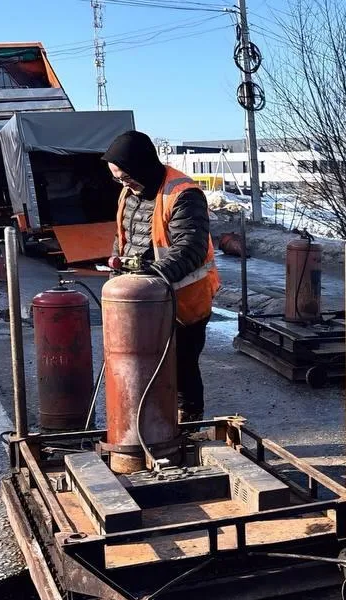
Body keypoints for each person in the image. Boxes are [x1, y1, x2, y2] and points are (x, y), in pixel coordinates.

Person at [103, 130, 221, 423]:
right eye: (117, 178)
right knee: (146, 363)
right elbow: (126, 235)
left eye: (125, 176)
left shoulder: (183, 194)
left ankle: (189, 421)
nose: (122, 183)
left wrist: (152, 276)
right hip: (146, 299)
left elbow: (190, 248)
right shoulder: (130, 191)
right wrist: (118, 258)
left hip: (185, 301)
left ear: (142, 166)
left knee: (182, 365)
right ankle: (156, 422)